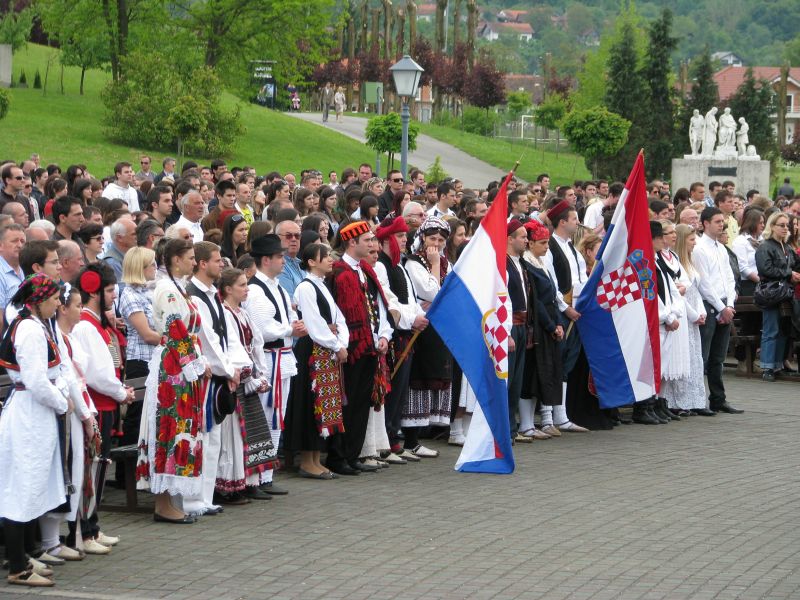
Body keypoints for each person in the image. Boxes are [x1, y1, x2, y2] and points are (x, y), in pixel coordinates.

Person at [135, 238, 209, 524]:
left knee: (181, 428)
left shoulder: (178, 287)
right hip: (173, 369)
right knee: (168, 428)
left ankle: (171, 499)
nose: (193, 261)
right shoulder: (166, 288)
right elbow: (174, 327)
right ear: (176, 260)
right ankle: (163, 503)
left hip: (182, 364)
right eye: (190, 257)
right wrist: (193, 364)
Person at [0, 274, 66, 587]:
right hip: (28, 412)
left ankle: (21, 557)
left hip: (33, 411)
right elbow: (37, 380)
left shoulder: (34, 324)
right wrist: (61, 402)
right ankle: (16, 565)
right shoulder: (29, 328)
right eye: (54, 297)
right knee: (20, 487)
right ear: (39, 300)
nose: (58, 303)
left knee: (29, 483)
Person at [71, 264, 132, 552]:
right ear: (94, 292)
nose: (113, 295)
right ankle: (85, 531)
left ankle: (92, 527)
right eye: (108, 291)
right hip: (99, 404)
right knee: (92, 468)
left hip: (106, 403)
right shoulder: (85, 325)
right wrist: (120, 392)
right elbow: (96, 373)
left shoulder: (95, 323)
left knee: (98, 466)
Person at [325, 221, 392, 474]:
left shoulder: (366, 270)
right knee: (346, 402)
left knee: (362, 402)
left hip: (370, 346)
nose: (373, 244)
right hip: (350, 348)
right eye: (367, 240)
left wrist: (383, 334)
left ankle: (353, 454)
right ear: (352, 242)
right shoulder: (339, 273)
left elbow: (379, 305)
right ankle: (338, 455)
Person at [184, 241, 246, 512]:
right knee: (202, 437)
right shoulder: (194, 295)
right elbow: (205, 338)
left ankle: (205, 498)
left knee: (214, 440)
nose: (222, 264)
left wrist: (237, 366)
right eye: (217, 259)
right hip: (205, 375)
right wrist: (227, 369)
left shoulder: (211, 294)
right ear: (202, 263)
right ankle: (192, 498)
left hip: (219, 374)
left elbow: (227, 336)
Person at [244, 234, 307, 493]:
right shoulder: (256, 290)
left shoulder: (278, 287)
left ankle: (267, 474)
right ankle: (253, 477)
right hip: (266, 360)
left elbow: (291, 316)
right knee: (262, 418)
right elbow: (262, 328)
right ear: (266, 259)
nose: (284, 260)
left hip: (282, 358)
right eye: (279, 256)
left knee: (276, 418)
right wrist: (289, 329)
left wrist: (294, 326)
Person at [285, 244, 348, 478]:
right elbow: (314, 323)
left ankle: (314, 459)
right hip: (312, 351)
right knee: (311, 403)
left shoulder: (321, 285)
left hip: (326, 350)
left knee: (321, 405)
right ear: (311, 262)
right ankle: (306, 460)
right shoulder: (305, 287)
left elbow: (337, 318)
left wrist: (342, 340)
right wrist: (335, 344)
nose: (331, 260)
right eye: (325, 257)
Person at [216, 268, 277, 496]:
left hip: (248, 377)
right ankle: (233, 484)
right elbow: (233, 347)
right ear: (228, 289)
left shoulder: (242, 312)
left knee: (252, 432)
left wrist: (261, 374)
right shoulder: (225, 313)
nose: (246, 288)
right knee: (235, 435)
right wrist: (248, 376)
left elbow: (257, 342)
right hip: (236, 378)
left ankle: (250, 482)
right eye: (241, 285)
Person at [373, 216, 428, 459]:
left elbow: (410, 297)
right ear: (386, 239)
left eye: (405, 236)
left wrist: (418, 315)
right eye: (399, 236)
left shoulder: (400, 264)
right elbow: (389, 300)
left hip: (408, 333)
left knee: (401, 389)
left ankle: (395, 437)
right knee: (391, 389)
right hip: (395, 335)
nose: (405, 240)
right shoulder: (381, 266)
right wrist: (409, 319)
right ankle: (387, 439)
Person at [402, 217, 452, 458]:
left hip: (438, 327)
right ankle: (409, 439)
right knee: (418, 378)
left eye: (441, 240)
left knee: (434, 376)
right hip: (421, 329)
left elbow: (448, 293)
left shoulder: (445, 263)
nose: (437, 244)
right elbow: (432, 291)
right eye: (432, 238)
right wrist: (433, 264)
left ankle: (417, 438)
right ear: (422, 237)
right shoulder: (414, 263)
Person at [542, 201, 590, 433]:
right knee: (555, 361)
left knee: (567, 362)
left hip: (576, 310)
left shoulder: (571, 247)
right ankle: (548, 415)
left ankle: (561, 415)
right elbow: (551, 282)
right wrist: (564, 307)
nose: (578, 222)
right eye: (574, 219)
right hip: (562, 311)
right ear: (562, 222)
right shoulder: (550, 246)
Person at [693, 207, 743, 414]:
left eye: (722, 221)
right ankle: (696, 400)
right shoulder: (699, 248)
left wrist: (729, 304)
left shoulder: (721, 248)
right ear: (705, 223)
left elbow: (730, 279)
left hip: (724, 304)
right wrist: (721, 307)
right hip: (709, 305)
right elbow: (704, 283)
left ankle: (718, 398)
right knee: (703, 356)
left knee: (718, 357)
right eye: (716, 221)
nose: (721, 224)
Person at [116, 247, 160, 477]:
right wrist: (173, 339)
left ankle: (142, 468)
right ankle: (127, 474)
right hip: (139, 358)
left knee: (148, 412)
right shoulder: (130, 295)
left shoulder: (147, 292)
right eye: (151, 264)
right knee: (137, 414)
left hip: (151, 358)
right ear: (140, 268)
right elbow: (146, 333)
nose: (155, 267)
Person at [518, 220, 563, 440]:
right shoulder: (528, 265)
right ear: (531, 244)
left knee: (541, 375)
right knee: (530, 375)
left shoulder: (539, 263)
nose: (547, 246)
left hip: (549, 323)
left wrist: (558, 322)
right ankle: (526, 424)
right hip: (537, 325)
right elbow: (536, 301)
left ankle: (537, 423)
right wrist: (551, 324)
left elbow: (552, 297)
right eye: (543, 242)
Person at [664, 224, 713, 416]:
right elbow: (680, 294)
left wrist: (701, 312)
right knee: (680, 357)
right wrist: (694, 314)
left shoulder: (687, 262)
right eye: (692, 239)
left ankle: (694, 400)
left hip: (693, 312)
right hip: (683, 312)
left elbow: (695, 290)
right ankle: (676, 401)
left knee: (694, 358)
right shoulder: (677, 261)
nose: (695, 243)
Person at [755, 211, 800, 381]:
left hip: (786, 293)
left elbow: (796, 264)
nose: (785, 228)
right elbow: (765, 269)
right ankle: (767, 366)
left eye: (786, 225)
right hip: (771, 292)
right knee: (771, 329)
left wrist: (793, 273)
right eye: (781, 225)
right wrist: (789, 274)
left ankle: (778, 364)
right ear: (772, 226)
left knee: (783, 330)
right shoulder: (765, 246)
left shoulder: (787, 247)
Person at [653, 221, 690, 423]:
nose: (663, 240)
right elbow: (651, 294)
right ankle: (647, 405)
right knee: (655, 365)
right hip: (658, 320)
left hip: (668, 318)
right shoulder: (646, 262)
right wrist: (667, 316)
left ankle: (658, 402)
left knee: (663, 363)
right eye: (659, 237)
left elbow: (671, 290)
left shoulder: (658, 261)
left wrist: (674, 313)